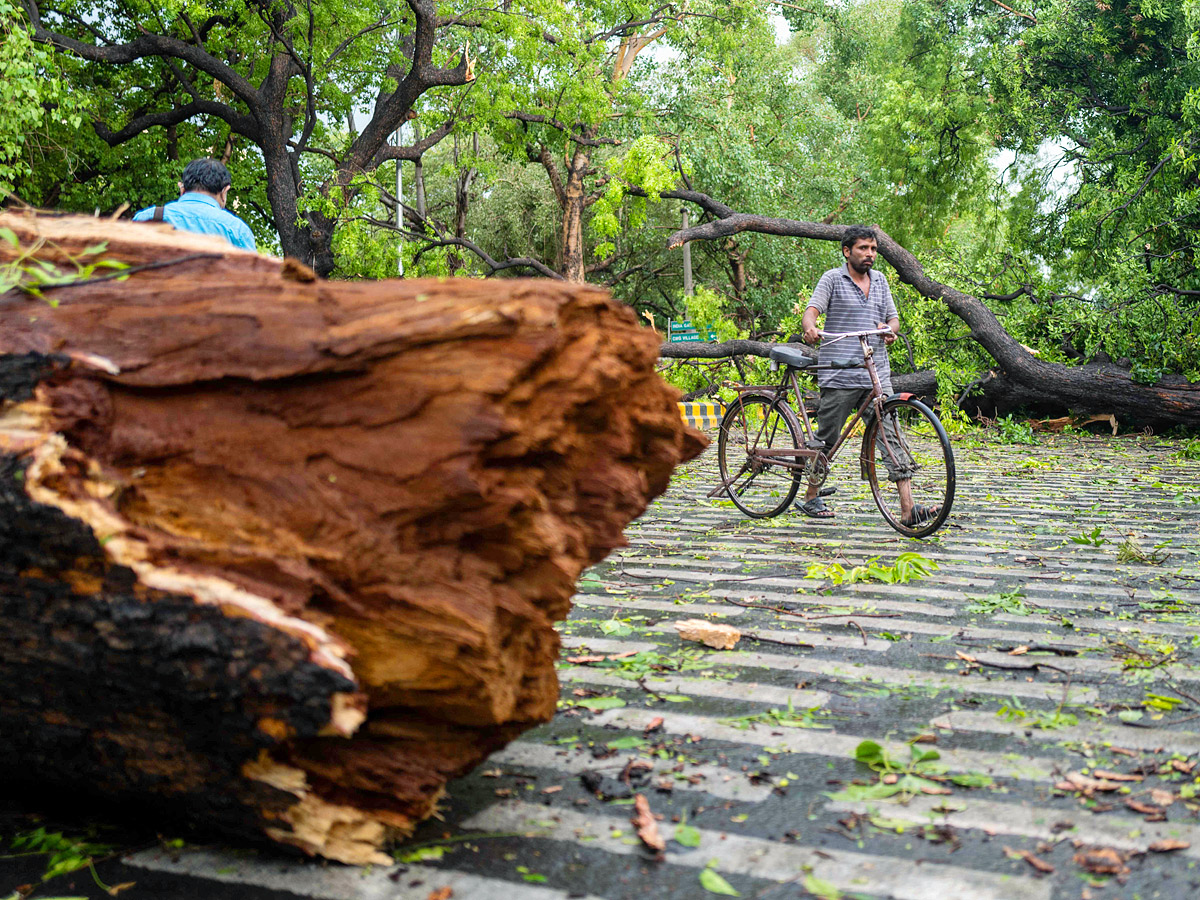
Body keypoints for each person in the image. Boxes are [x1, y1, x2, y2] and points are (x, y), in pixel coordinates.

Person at [798, 225, 935, 525]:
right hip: (841, 373)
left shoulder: (881, 280)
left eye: (873, 249)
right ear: (847, 251)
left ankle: (908, 509)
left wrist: (890, 332)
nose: (870, 254)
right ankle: (810, 495)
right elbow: (812, 310)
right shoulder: (832, 278)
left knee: (890, 436)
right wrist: (810, 326)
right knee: (827, 439)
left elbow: (893, 319)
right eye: (863, 248)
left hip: (876, 375)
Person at [133, 158, 256, 251]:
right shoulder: (237, 230)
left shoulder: (147, 217)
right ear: (224, 192)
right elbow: (256, 282)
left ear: (182, 188)